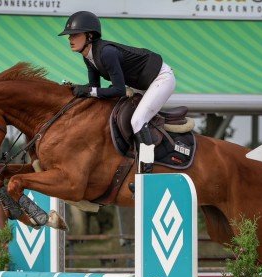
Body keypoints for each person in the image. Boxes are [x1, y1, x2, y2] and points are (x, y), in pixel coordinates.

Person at [59, 10, 176, 172]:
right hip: (141, 83)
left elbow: (119, 90)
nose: (70, 39)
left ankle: (148, 170)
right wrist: (78, 89)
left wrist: (88, 91)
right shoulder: (88, 56)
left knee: (138, 121)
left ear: (90, 36)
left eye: (74, 35)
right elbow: (94, 87)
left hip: (161, 78)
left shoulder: (107, 53)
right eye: (69, 36)